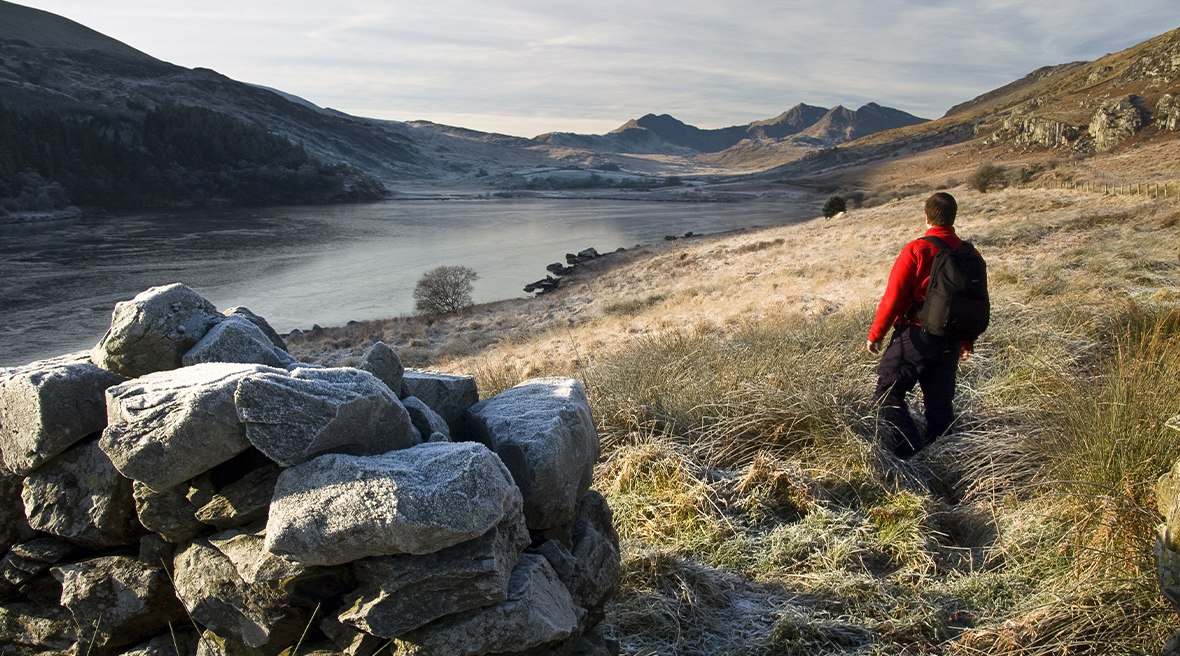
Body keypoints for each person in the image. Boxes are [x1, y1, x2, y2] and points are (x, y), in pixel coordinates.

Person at [867, 192, 979, 459]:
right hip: (951, 340)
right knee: (940, 407)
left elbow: (894, 296)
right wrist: (965, 341)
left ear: (927, 218)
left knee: (887, 395)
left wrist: (876, 334)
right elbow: (971, 301)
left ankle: (911, 455)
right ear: (953, 217)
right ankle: (944, 460)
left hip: (915, 337)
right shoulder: (969, 253)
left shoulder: (917, 249)